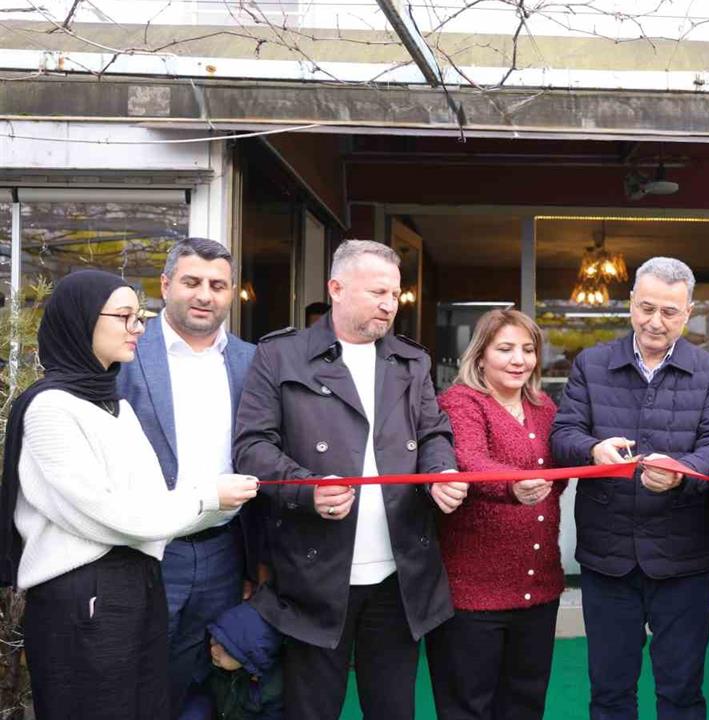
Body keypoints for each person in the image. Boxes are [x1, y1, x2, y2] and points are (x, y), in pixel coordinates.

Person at [1, 270, 258, 719]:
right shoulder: (50, 408)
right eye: (124, 317)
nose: (137, 328)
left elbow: (151, 499)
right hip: (82, 597)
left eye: (139, 316)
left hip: (137, 583)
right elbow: (118, 514)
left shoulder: (113, 404)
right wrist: (209, 497)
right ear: (82, 321)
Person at [234, 240, 463, 720]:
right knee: (311, 710)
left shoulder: (412, 360)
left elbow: (434, 433)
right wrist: (307, 488)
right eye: (378, 292)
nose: (390, 304)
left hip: (398, 574)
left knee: (393, 710)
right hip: (313, 573)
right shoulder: (280, 355)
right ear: (336, 288)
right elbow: (252, 447)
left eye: (395, 294)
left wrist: (440, 473)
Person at [551, 256, 709, 720]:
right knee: (610, 692)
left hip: (683, 557)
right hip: (607, 555)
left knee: (682, 692)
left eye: (669, 312)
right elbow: (562, 435)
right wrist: (592, 450)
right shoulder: (592, 364)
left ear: (688, 313)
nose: (655, 322)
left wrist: (682, 471)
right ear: (631, 302)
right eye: (646, 308)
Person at [116, 237, 261, 717]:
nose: (204, 295)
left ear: (231, 292)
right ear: (165, 285)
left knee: (205, 681)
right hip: (147, 548)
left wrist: (253, 564)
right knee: (137, 678)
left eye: (218, 285)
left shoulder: (250, 360)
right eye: (192, 282)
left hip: (224, 550)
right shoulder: (127, 354)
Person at [430, 309, 565, 720]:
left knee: (525, 705)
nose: (519, 360)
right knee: (468, 707)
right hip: (473, 594)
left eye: (528, 349)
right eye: (505, 349)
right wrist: (513, 484)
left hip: (538, 588)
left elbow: (560, 470)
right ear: (480, 355)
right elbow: (468, 458)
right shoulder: (460, 401)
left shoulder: (544, 406)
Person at [203, 602, 285, 720]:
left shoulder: (270, 690)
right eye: (216, 639)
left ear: (250, 661)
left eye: (227, 650)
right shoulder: (215, 667)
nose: (214, 650)